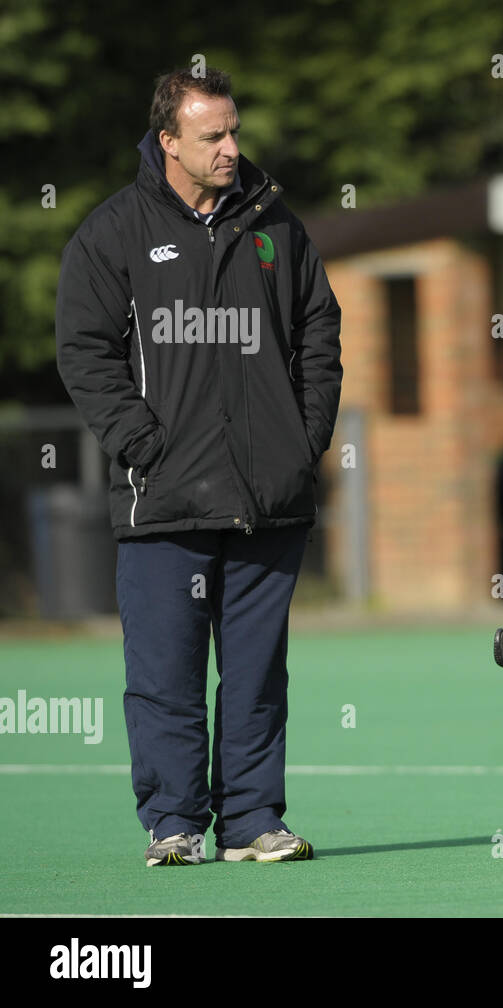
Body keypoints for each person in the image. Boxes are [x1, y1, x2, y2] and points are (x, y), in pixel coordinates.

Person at [56, 68, 342, 865]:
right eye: (212, 135)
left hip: (267, 498)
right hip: (164, 500)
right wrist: (142, 444)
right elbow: (83, 352)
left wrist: (303, 436)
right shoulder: (112, 232)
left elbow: (320, 331)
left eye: (234, 130)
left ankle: (253, 823)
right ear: (168, 141)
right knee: (165, 676)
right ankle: (174, 824)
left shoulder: (276, 226)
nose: (230, 147)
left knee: (255, 677)